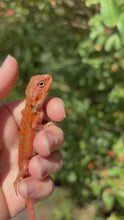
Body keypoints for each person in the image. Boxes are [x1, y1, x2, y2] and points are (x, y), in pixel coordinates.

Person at [0, 55, 65, 219]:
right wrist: (46, 125)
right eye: (41, 84)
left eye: (42, 83)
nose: (47, 80)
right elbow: (35, 126)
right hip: (24, 161)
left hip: (27, 153)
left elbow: (26, 117)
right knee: (25, 170)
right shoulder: (32, 112)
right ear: (35, 95)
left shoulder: (31, 110)